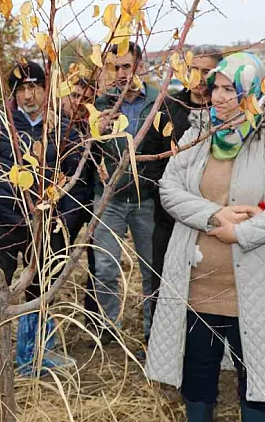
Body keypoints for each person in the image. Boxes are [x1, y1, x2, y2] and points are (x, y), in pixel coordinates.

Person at [146, 52, 265, 422]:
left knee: (256, 378)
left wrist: (242, 233)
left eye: (230, 89)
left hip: (257, 287)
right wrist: (213, 214)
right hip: (197, 285)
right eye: (216, 88)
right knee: (197, 375)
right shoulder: (196, 135)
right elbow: (169, 189)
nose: (219, 97)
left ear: (256, 92)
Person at [0, 60, 89, 386]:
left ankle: (34, 355)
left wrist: (64, 224)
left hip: (48, 226)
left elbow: (77, 181)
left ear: (47, 89)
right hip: (3, 225)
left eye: (35, 87)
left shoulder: (63, 129)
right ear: (13, 93)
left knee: (43, 290)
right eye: (21, 89)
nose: (28, 95)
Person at [141, 45, 222, 319]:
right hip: (169, 218)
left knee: (207, 284)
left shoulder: (226, 113)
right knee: (163, 281)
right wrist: (164, 191)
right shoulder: (168, 108)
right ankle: (157, 340)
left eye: (207, 72)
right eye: (194, 71)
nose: (199, 79)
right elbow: (148, 158)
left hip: (214, 217)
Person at [91, 41, 160, 344]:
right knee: (105, 267)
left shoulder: (158, 101)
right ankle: (108, 328)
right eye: (114, 67)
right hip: (110, 199)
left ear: (140, 66)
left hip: (146, 199)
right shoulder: (102, 104)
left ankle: (153, 332)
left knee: (151, 269)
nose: (120, 73)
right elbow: (85, 153)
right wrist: (97, 133)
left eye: (126, 66)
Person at [61, 77, 102, 322]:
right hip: (67, 201)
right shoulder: (56, 126)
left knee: (98, 259)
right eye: (75, 96)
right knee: (56, 256)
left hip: (95, 198)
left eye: (87, 100)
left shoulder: (98, 126)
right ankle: (45, 313)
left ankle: (94, 316)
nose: (79, 103)